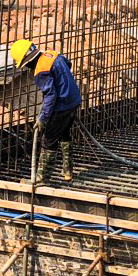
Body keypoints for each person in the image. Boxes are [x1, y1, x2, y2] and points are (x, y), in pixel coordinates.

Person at [10, 38, 83, 183]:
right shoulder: (52, 54)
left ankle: (42, 178)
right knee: (63, 134)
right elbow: (68, 63)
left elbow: (51, 95)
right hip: (74, 101)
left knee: (48, 139)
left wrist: (43, 118)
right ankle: (67, 171)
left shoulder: (41, 70)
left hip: (61, 106)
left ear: (27, 61)